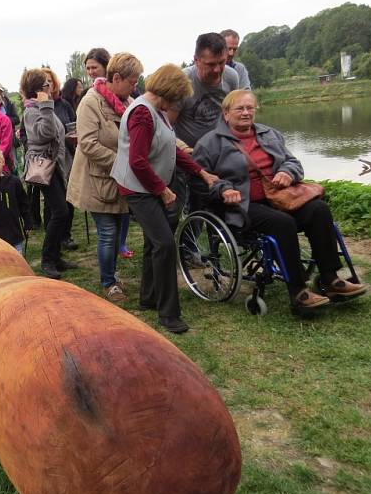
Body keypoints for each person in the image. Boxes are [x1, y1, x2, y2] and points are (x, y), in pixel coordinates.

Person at [193, 89, 368, 310]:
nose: (246, 113)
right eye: (240, 108)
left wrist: (287, 172)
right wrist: (223, 189)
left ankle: (330, 279)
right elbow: (200, 182)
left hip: (280, 199)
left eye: (250, 108)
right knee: (282, 223)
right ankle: (298, 291)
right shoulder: (209, 144)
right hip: (242, 206)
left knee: (319, 209)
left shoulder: (269, 134)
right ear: (226, 113)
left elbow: (294, 162)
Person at [111, 63, 218, 333]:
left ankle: (149, 298)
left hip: (147, 186)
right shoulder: (143, 115)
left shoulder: (156, 111)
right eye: (177, 96)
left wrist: (201, 172)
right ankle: (169, 314)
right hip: (137, 189)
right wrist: (162, 188)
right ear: (168, 92)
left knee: (153, 244)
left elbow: (172, 149)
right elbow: (137, 161)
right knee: (165, 244)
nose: (178, 101)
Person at [68, 53, 143, 303]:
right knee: (108, 232)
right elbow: (88, 144)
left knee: (117, 229)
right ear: (117, 77)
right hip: (97, 180)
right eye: (132, 81)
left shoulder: (126, 101)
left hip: (119, 180)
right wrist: (124, 163)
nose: (135, 86)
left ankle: (112, 274)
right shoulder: (91, 102)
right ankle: (109, 283)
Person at [172, 32, 241, 213]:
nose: (218, 70)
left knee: (221, 195)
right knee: (193, 204)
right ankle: (190, 235)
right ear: (196, 60)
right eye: (211, 64)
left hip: (216, 150)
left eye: (222, 62)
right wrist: (184, 152)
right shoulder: (182, 83)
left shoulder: (232, 77)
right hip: (187, 153)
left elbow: (232, 115)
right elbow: (166, 126)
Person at [21, 68, 74, 279]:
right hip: (44, 167)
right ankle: (47, 259)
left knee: (61, 210)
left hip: (56, 166)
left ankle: (56, 256)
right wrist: (45, 105)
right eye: (45, 85)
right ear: (37, 90)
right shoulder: (32, 111)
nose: (49, 87)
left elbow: (57, 133)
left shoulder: (45, 108)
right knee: (60, 211)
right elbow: (46, 133)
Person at [43, 67, 78, 251]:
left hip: (67, 156)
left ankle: (65, 236)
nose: (47, 84)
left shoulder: (64, 104)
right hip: (49, 163)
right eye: (43, 81)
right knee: (55, 206)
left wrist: (74, 136)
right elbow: (31, 135)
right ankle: (53, 247)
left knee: (69, 200)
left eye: (49, 80)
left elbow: (74, 124)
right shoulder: (35, 108)